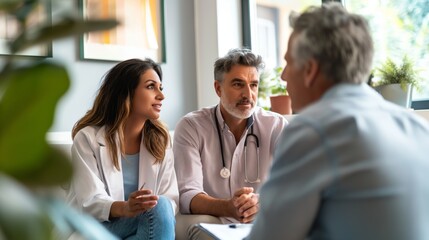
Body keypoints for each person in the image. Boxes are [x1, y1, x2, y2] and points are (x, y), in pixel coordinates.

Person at [248, 3, 429, 240]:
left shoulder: (314, 129)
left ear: (310, 70)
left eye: (289, 63)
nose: (283, 76)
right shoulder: (418, 129)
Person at [173, 48, 288, 239]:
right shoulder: (191, 126)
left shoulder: (276, 126)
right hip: (213, 220)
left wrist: (259, 203)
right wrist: (228, 207)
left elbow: (290, 184)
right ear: (218, 88)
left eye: (253, 85)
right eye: (238, 84)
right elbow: (187, 195)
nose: (248, 94)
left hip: (263, 218)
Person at [67, 58, 178, 240]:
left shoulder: (161, 141)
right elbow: (90, 201)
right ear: (126, 92)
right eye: (151, 87)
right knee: (158, 207)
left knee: (161, 205)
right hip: (96, 230)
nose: (161, 96)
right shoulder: (87, 139)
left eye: (161, 88)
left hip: (141, 231)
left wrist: (144, 208)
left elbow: (170, 199)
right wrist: (126, 208)